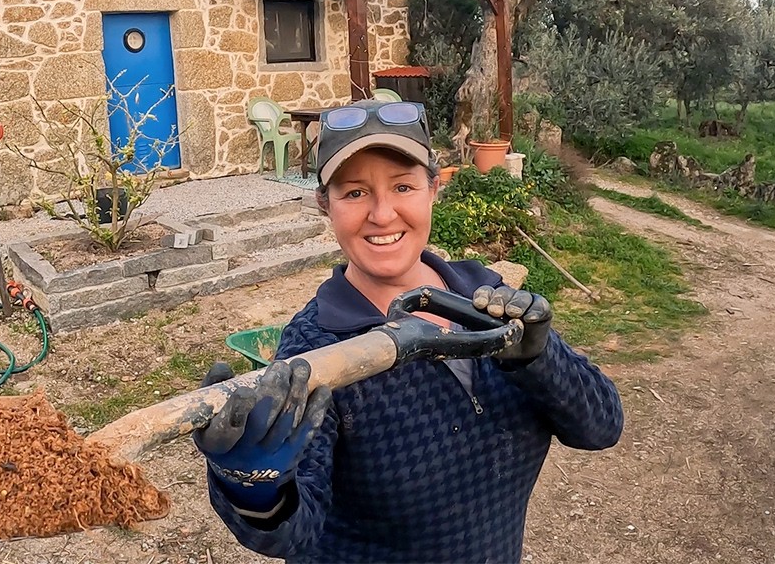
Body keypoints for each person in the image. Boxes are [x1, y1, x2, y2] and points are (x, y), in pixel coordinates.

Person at [194, 99, 624, 563]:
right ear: (325, 204)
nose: (382, 214)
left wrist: (540, 358)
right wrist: (256, 492)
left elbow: (600, 427)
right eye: (355, 193)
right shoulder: (316, 348)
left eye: (403, 186)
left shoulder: (486, 298)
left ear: (434, 188)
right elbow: (292, 537)